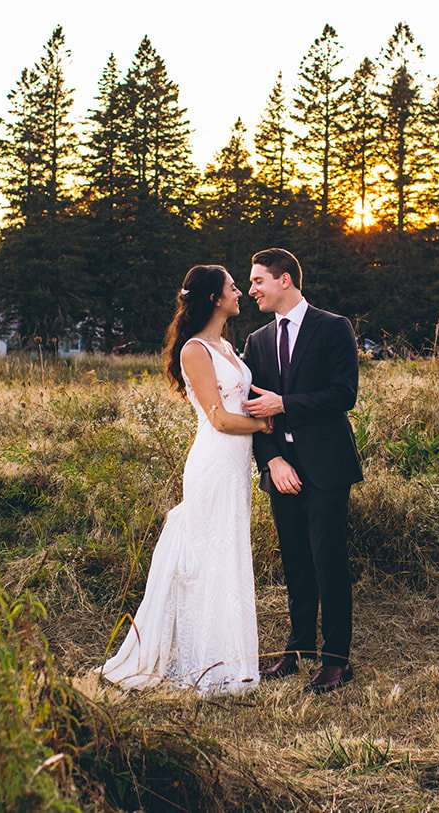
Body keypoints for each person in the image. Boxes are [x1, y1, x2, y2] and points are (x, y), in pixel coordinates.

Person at [99, 265, 270, 695]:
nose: (240, 293)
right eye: (234, 288)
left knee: (228, 552)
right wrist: (270, 424)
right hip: (214, 463)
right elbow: (220, 419)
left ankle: (230, 657)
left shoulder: (227, 347)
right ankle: (203, 662)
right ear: (215, 298)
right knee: (208, 557)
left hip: (236, 467)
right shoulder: (195, 350)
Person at [242, 248, 363, 694]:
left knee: (328, 561)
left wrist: (285, 404)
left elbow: (343, 394)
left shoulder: (334, 328)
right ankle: (297, 649)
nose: (252, 289)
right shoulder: (256, 341)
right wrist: (273, 460)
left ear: (286, 280)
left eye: (258, 280)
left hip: (327, 467)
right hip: (282, 469)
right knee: (294, 561)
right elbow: (251, 410)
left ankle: (336, 660)